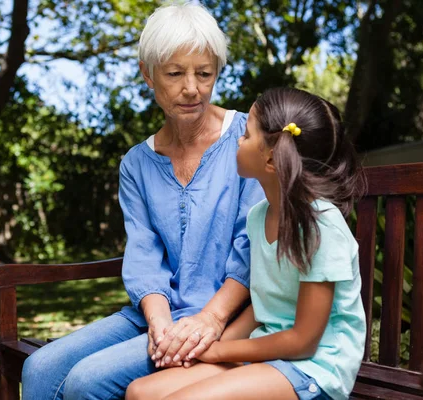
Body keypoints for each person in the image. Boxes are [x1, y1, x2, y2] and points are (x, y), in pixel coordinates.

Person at [21, 2, 264, 399]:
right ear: (147, 75)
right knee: (40, 367)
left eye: (205, 74)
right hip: (156, 313)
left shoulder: (248, 142)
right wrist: (159, 322)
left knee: (87, 381)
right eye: (174, 74)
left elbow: (252, 249)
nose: (192, 88)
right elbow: (144, 255)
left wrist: (210, 319)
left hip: (230, 317)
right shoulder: (136, 163)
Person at [126, 87, 367, 400]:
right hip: (269, 349)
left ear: (270, 157)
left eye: (247, 135)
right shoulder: (259, 216)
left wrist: (219, 353)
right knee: (140, 393)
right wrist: (208, 347)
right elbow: (264, 304)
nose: (238, 140)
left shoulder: (320, 225)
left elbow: (304, 340)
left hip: (316, 367)